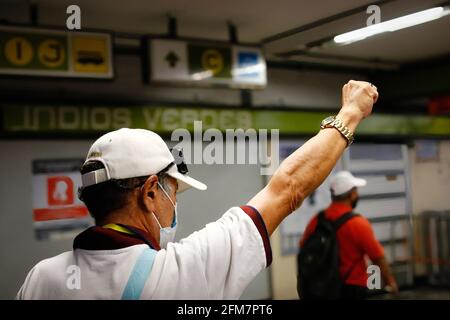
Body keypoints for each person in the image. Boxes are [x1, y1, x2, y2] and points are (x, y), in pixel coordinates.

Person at [17, 80, 378, 300]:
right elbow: (288, 188)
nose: (174, 205)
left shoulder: (41, 279)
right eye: (173, 191)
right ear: (150, 192)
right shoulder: (179, 273)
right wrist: (350, 113)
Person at [298, 171, 399, 299]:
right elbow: (378, 257)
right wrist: (390, 282)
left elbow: (303, 246)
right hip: (352, 288)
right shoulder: (358, 223)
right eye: (356, 191)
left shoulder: (317, 220)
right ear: (351, 195)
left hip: (322, 288)